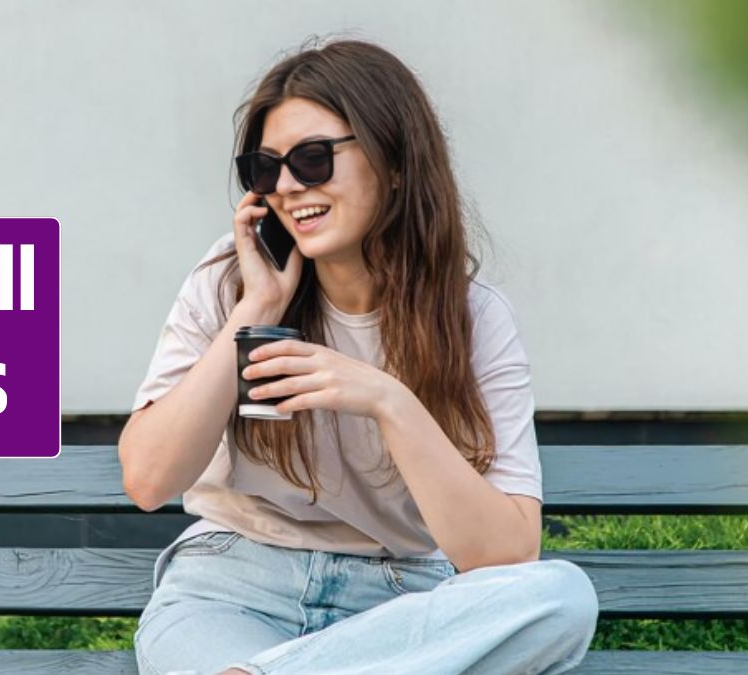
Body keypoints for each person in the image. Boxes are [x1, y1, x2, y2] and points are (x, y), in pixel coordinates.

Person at [118, 38, 599, 675]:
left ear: (394, 161)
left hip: (399, 609)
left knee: (561, 599)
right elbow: (149, 482)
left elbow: (506, 555)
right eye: (266, 169)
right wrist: (254, 311)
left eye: (314, 159)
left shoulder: (473, 317)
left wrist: (387, 400)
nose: (288, 187)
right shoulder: (227, 284)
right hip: (230, 590)